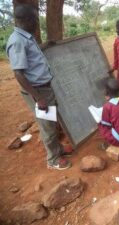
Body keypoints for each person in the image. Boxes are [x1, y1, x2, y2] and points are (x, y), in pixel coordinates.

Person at [6, 4, 72, 170]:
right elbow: (19, 74)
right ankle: (53, 159)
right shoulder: (17, 41)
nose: (37, 22)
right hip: (38, 91)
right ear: (27, 20)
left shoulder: (27, 37)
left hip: (43, 88)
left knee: (51, 121)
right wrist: (39, 97)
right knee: (47, 125)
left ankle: (58, 149)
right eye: (35, 19)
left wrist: (46, 45)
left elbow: (32, 58)